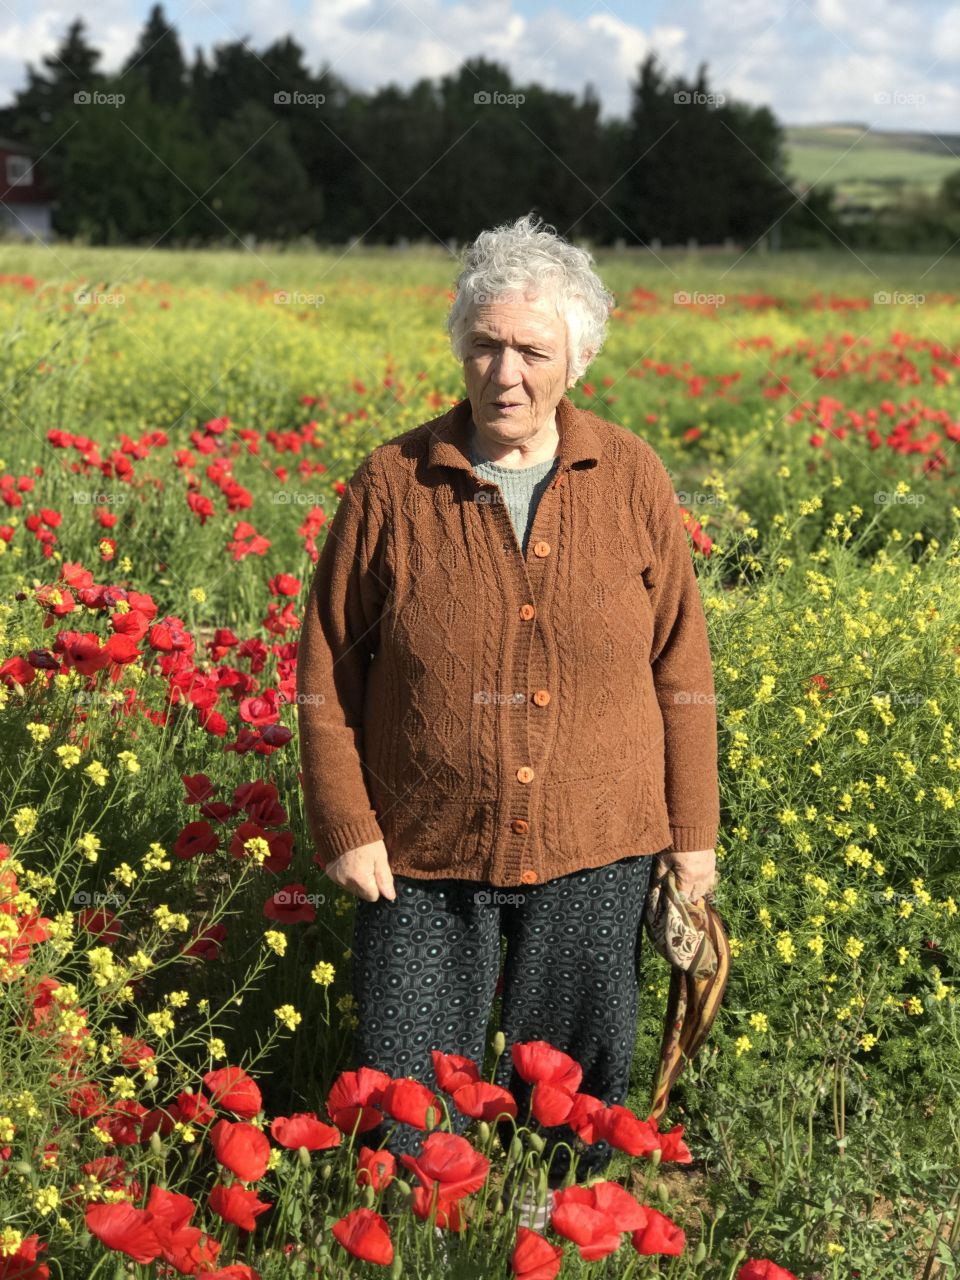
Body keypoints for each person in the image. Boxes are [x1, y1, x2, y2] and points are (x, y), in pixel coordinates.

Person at [296, 212, 720, 1189]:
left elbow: (682, 667)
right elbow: (327, 669)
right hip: (418, 848)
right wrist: (346, 822)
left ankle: (553, 1235)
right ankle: (411, 1237)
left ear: (577, 357)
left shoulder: (632, 478)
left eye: (532, 348)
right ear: (460, 346)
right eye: (484, 344)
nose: (504, 371)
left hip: (597, 842)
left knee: (574, 1098)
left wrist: (691, 831)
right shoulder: (393, 484)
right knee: (405, 1099)